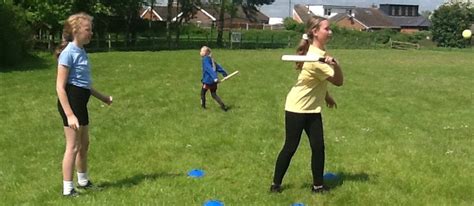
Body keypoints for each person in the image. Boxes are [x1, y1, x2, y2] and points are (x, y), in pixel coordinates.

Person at [270, 16, 343, 194]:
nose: (330, 32)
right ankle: (275, 185)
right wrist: (337, 65)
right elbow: (339, 81)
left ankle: (317, 186)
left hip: (312, 109)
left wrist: (326, 96)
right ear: (315, 32)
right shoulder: (315, 58)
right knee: (290, 147)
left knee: (318, 147)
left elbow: (314, 81)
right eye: (327, 29)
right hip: (297, 108)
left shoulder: (318, 53)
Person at [55, 12, 113, 197]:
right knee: (72, 146)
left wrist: (102, 97)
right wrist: (70, 114)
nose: (91, 33)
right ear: (75, 31)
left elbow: (84, 84)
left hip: (81, 101)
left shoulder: (81, 51)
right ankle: (67, 189)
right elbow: (60, 88)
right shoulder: (68, 53)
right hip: (71, 102)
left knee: (84, 144)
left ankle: (83, 181)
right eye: (88, 30)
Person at [199, 46, 229, 111]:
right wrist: (225, 74)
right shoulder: (211, 59)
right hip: (213, 82)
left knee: (202, 93)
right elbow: (218, 67)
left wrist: (215, 77)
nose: (200, 52)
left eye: (202, 51)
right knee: (213, 94)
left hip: (208, 81)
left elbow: (209, 69)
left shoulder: (205, 60)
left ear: (206, 52)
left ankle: (203, 107)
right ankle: (223, 106)